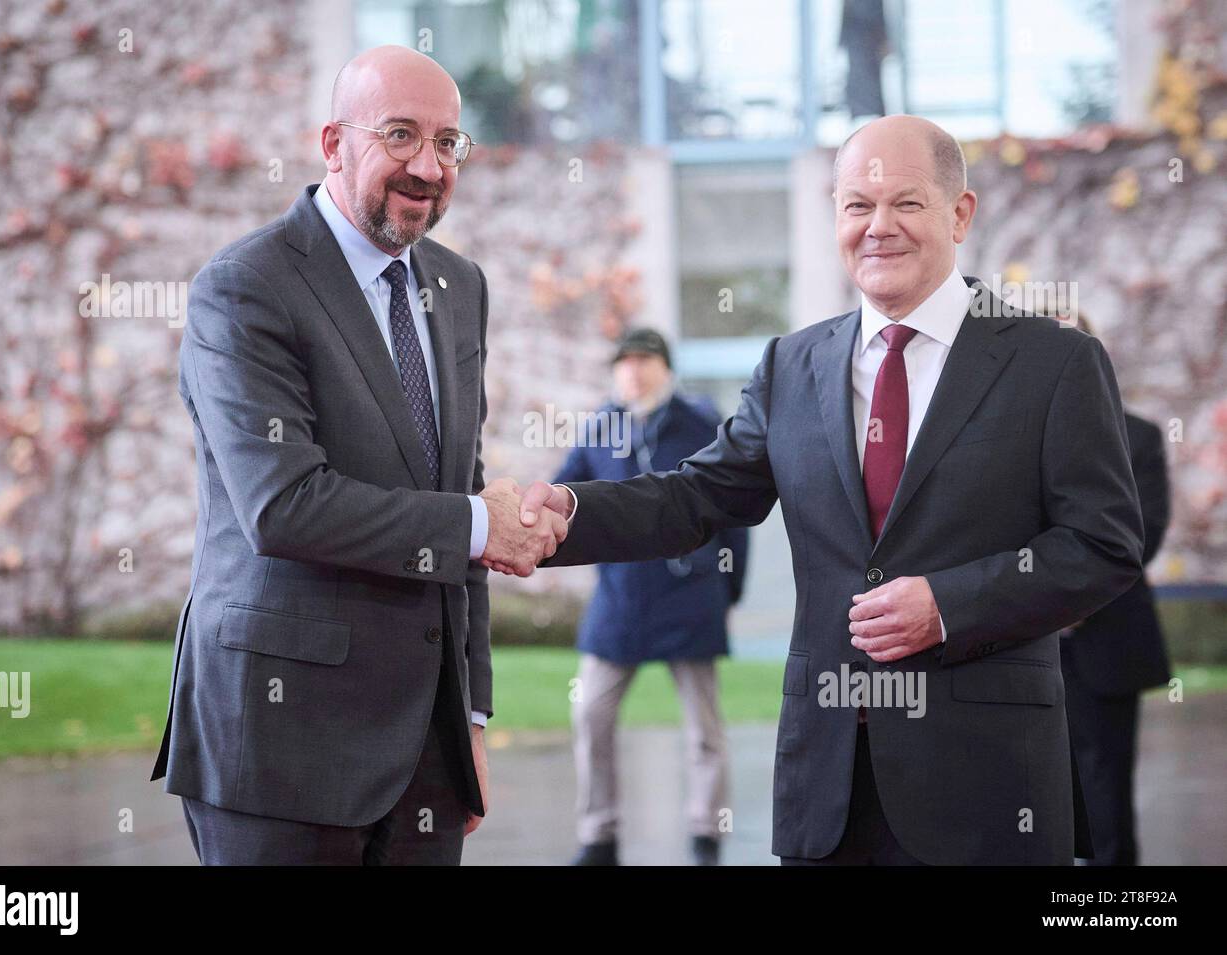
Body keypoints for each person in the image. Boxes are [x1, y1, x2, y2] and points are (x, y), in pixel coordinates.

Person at [491, 115, 1145, 865]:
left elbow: (1102, 546)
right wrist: (570, 512)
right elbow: (696, 497)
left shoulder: (1052, 363)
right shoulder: (792, 364)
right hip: (825, 785)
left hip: (986, 787)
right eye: (856, 206)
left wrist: (948, 605)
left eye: (906, 203)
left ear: (960, 213)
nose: (878, 227)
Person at [150, 46, 568, 865]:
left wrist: (470, 721)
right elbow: (283, 504)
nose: (428, 165)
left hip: (426, 758)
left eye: (449, 143)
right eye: (402, 135)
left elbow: (461, 492)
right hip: (278, 748)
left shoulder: (459, 287)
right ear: (333, 144)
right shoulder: (245, 287)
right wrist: (484, 525)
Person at [555, 329, 749, 866]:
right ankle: (598, 835)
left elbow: (735, 512)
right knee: (589, 713)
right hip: (620, 598)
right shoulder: (600, 426)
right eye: (623, 363)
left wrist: (729, 586)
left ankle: (707, 832)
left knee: (702, 726)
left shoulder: (702, 422)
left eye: (643, 361)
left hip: (690, 594)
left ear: (665, 368)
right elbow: (562, 491)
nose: (632, 372)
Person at [1056, 314, 1172, 866]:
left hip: (1107, 643)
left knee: (1106, 795)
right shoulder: (1001, 436)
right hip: (1014, 647)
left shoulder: (1141, 436)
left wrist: (1062, 600)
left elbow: (1139, 537)